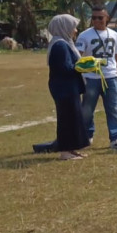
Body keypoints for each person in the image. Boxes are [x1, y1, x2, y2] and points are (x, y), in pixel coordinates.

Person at [76, 6, 117, 149]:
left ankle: (116, 138)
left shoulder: (114, 35)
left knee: (114, 108)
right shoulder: (84, 35)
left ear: (107, 18)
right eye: (94, 18)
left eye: (100, 17)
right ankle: (86, 136)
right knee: (87, 109)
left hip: (111, 76)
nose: (97, 20)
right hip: (91, 77)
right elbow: (78, 55)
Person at [47, 14, 90, 161]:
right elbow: (65, 68)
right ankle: (65, 151)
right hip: (64, 88)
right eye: (73, 27)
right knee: (66, 119)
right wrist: (84, 66)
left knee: (74, 118)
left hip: (69, 87)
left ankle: (72, 149)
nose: (76, 31)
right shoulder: (60, 45)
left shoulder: (64, 43)